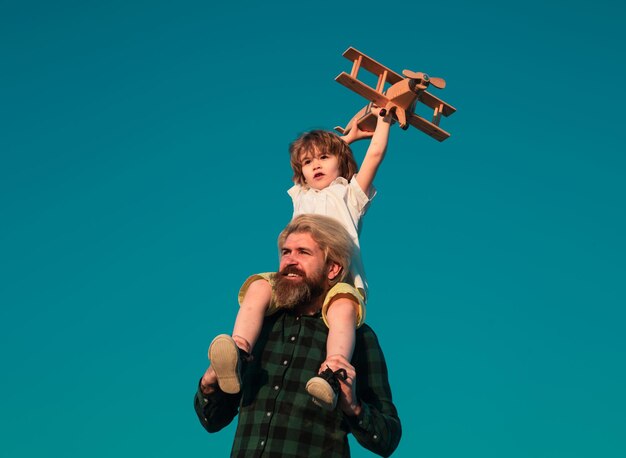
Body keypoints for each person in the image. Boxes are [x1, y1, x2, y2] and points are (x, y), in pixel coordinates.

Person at [206, 107, 392, 410]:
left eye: (323, 159)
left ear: (340, 163)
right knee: (259, 287)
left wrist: (383, 120)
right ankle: (239, 350)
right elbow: (322, 156)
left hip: (337, 281)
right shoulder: (301, 193)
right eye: (307, 162)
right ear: (300, 171)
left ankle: (333, 372)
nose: (315, 166)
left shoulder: (349, 195)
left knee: (343, 312)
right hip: (297, 281)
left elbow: (374, 156)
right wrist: (343, 141)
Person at [194, 214, 401, 457]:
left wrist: (353, 406)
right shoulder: (258, 327)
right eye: (286, 252)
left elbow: (387, 438)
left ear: (333, 268)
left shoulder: (358, 338)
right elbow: (213, 420)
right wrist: (208, 386)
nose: (290, 261)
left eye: (303, 252)